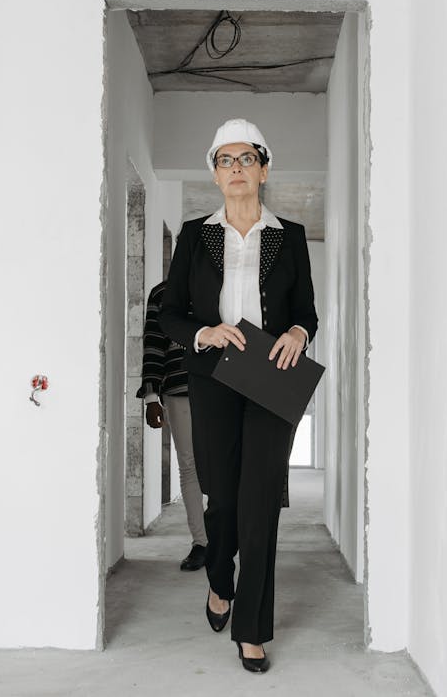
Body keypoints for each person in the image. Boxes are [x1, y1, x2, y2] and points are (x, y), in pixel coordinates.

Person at [159, 118, 318, 674]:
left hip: (271, 374)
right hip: (214, 375)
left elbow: (306, 313)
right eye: (224, 161)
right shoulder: (195, 234)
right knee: (222, 495)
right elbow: (170, 313)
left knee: (258, 507)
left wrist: (299, 333)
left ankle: (251, 629)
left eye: (245, 159)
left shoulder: (289, 235)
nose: (235, 170)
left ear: (264, 168)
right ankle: (220, 582)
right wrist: (203, 333)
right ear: (214, 173)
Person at [137, 277, 207, 572]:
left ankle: (225, 538)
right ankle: (202, 543)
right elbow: (153, 342)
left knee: (224, 465)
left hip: (222, 385)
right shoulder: (162, 292)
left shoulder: (221, 284)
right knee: (189, 465)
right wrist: (151, 396)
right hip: (178, 388)